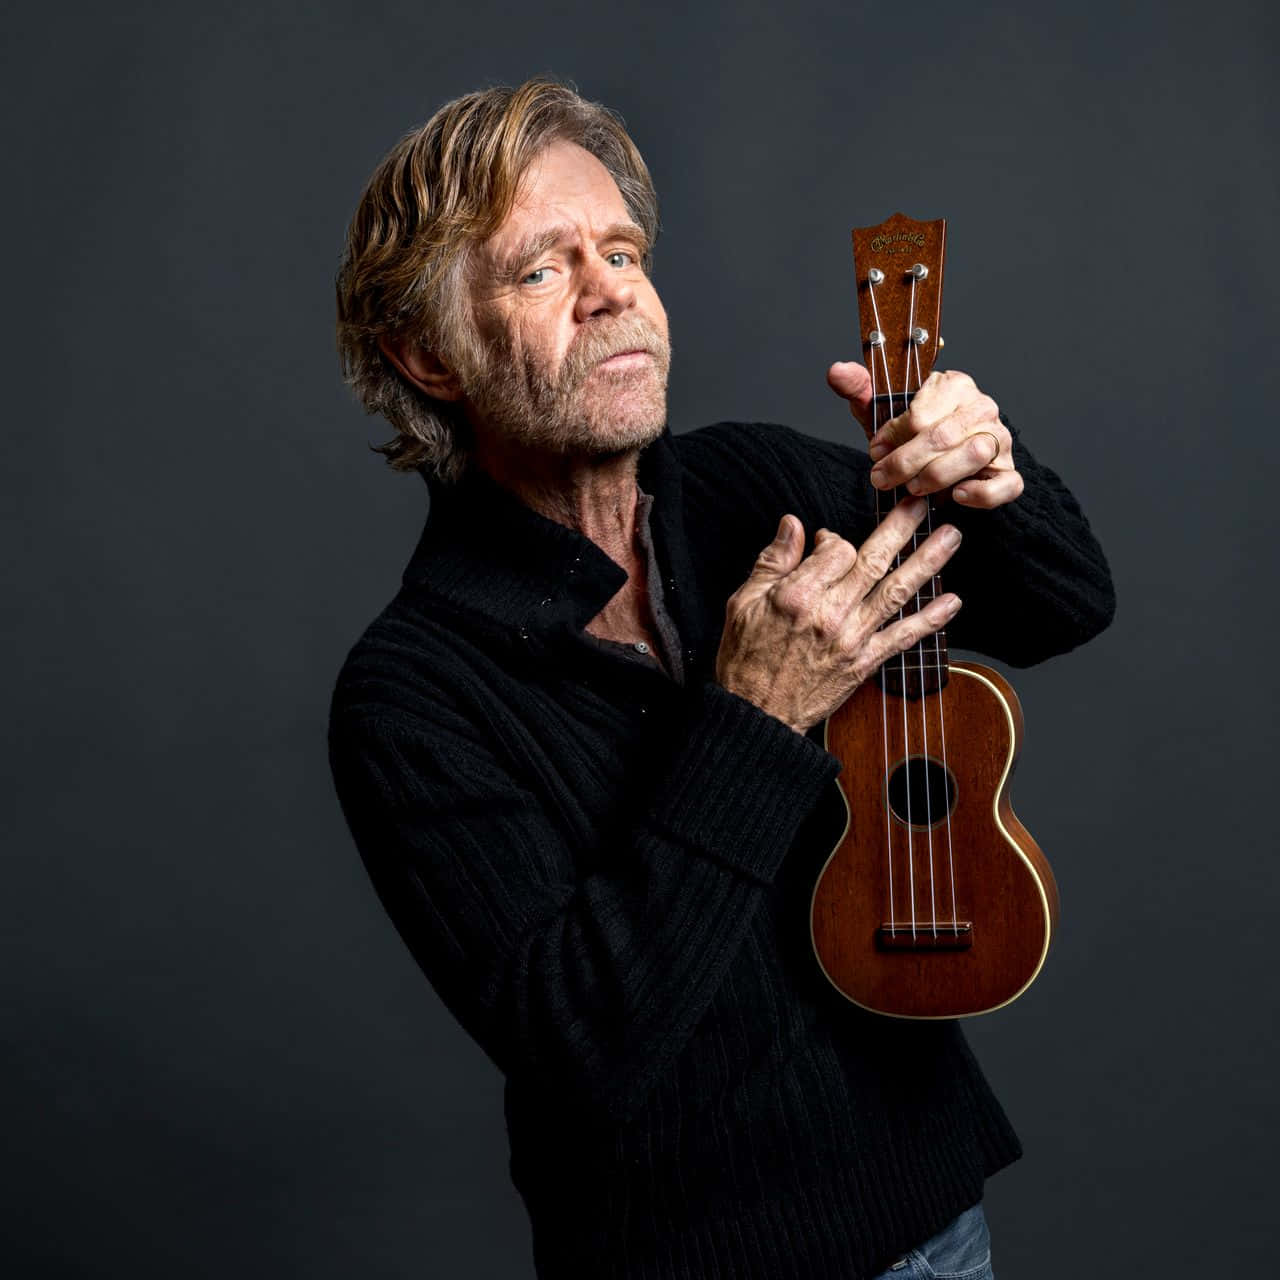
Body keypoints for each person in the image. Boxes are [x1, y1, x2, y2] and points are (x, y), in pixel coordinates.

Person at [327, 78, 1114, 1280]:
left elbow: (1066, 604)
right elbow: (582, 1041)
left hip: (933, 1220)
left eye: (624, 249)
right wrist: (751, 712)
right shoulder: (409, 692)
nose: (613, 290)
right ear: (428, 354)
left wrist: (987, 477)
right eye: (544, 269)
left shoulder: (749, 484)